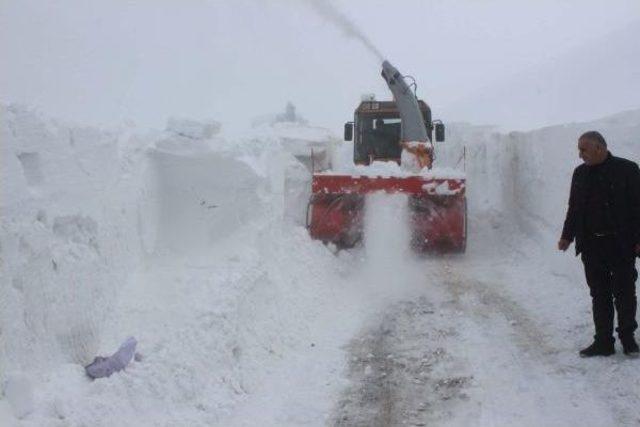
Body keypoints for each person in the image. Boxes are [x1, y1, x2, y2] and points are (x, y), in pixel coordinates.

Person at [558, 131, 640, 357]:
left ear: (599, 148)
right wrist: (567, 236)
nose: (580, 154)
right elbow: (574, 208)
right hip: (592, 245)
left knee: (624, 293)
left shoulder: (628, 170)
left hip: (621, 244)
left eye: (583, 149)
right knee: (599, 294)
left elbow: (638, 207)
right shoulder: (580, 174)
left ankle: (628, 338)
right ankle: (603, 341)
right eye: (579, 149)